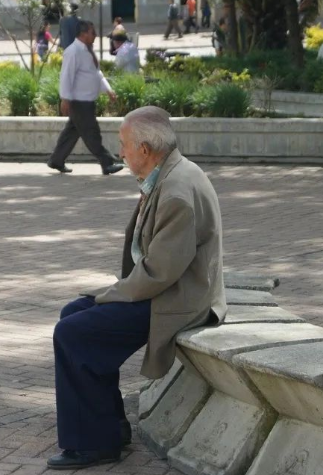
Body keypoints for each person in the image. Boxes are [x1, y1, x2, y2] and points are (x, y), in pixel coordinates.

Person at [47, 105, 226, 470]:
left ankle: (94, 444)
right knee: (73, 316)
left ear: (145, 149)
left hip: (180, 298)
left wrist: (110, 295)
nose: (121, 152)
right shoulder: (167, 172)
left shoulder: (176, 189)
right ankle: (109, 426)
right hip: (167, 287)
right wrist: (109, 295)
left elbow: (160, 272)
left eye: (124, 144)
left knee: (73, 332)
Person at [47, 21, 124, 175]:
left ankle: (56, 160)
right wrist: (65, 99)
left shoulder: (87, 51)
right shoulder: (73, 51)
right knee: (91, 132)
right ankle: (107, 163)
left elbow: (96, 73)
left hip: (86, 101)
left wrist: (108, 90)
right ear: (83, 34)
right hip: (79, 102)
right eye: (92, 32)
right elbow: (66, 77)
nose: (95, 35)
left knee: (71, 133)